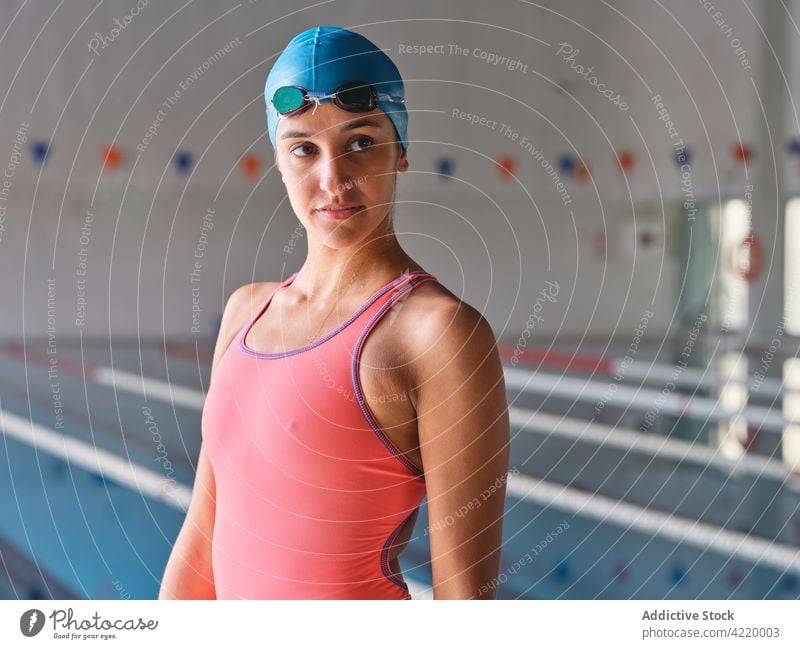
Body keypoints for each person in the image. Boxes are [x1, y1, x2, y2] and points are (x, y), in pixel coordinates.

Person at [159, 25, 510, 600]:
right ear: (278, 160)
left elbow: (465, 602)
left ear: (401, 149)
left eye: (360, 142)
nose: (333, 180)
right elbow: (200, 547)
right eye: (303, 148)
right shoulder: (246, 312)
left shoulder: (439, 333)